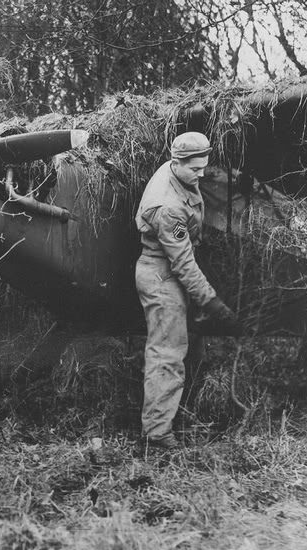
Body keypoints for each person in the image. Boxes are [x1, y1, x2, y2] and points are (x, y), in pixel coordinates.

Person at [134, 131, 240, 450]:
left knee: (181, 346)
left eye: (203, 166)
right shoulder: (165, 205)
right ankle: (156, 433)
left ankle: (178, 411)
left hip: (171, 266)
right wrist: (211, 302)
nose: (201, 174)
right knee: (166, 352)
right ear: (177, 162)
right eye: (195, 169)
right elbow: (182, 264)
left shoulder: (178, 172)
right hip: (160, 275)